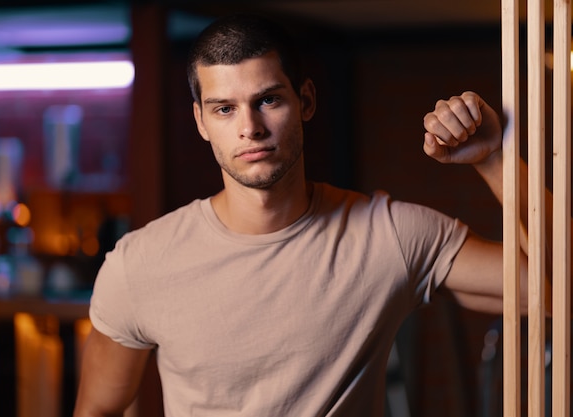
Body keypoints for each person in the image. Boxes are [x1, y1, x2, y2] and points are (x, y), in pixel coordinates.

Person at [73, 13, 550, 417]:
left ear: (305, 101)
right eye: (224, 109)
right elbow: (97, 411)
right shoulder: (140, 264)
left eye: (268, 100)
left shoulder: (390, 235)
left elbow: (554, 293)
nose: (250, 129)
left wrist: (495, 159)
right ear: (201, 121)